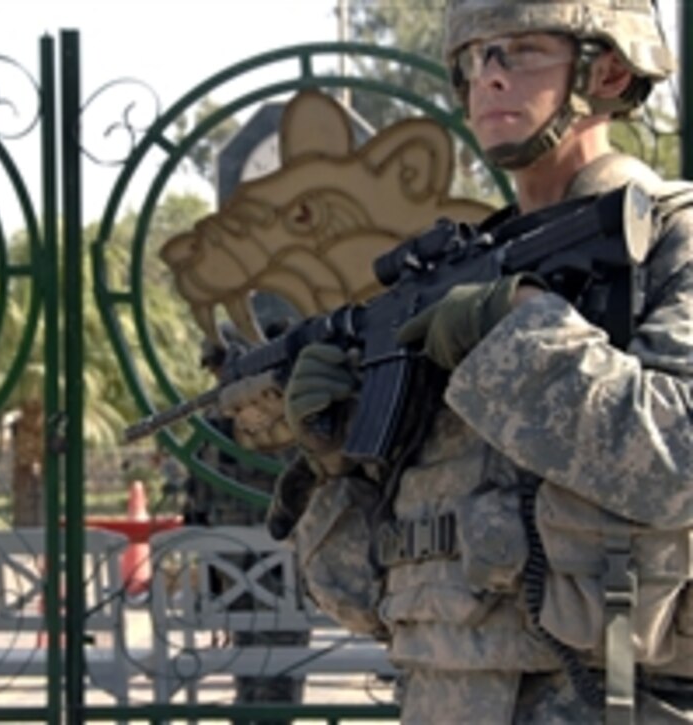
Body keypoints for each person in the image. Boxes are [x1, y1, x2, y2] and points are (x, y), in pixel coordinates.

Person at [259, 1, 693, 722]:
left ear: (607, 69)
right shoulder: (448, 283)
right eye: (473, 60)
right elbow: (370, 601)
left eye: (518, 52)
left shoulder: (668, 241)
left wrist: (516, 330)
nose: (487, 79)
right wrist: (335, 467)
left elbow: (681, 458)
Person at [184, 324, 309, 723]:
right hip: (273, 560)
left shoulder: (213, 426)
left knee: (257, 653)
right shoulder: (281, 413)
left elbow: (198, 501)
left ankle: (257, 710)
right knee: (276, 653)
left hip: (241, 560)